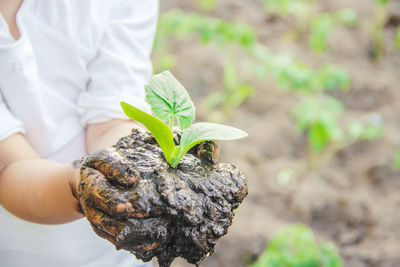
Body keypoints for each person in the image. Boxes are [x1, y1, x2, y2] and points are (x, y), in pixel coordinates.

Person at [0, 0, 158, 266]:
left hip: (115, 253)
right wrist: (82, 186)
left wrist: (132, 164)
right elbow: (10, 165)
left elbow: (114, 116)